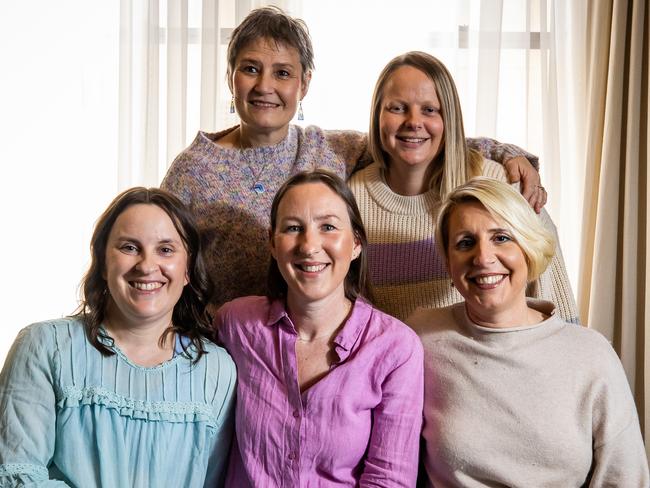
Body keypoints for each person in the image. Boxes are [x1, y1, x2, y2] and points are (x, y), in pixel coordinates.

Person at [161, 6, 543, 307]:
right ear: (231, 77)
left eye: (282, 73)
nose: (265, 86)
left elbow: (417, 136)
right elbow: (162, 264)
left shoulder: (329, 150)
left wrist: (509, 154)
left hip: (318, 346)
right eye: (250, 69)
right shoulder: (194, 169)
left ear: (304, 84)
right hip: (223, 350)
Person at [406, 177, 649, 486]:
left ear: (529, 248)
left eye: (502, 238)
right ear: (449, 264)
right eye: (465, 243)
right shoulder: (420, 337)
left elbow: (625, 477)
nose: (483, 257)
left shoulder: (591, 354)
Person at [0, 188, 236, 487]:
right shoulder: (45, 347)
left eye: (165, 249)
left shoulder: (217, 372)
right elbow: (17, 476)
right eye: (129, 247)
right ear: (102, 262)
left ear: (188, 268)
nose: (147, 266)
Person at [216, 170, 423, 486]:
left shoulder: (395, 348)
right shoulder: (235, 324)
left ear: (355, 244)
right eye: (293, 228)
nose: (309, 246)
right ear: (273, 244)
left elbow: (389, 479)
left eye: (328, 227)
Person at [348, 51, 578, 322]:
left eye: (430, 110)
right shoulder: (351, 199)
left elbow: (550, 289)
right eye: (397, 108)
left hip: (486, 357)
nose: (413, 122)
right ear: (377, 116)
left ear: (450, 119)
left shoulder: (499, 184)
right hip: (392, 361)